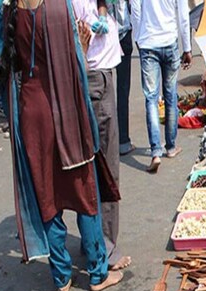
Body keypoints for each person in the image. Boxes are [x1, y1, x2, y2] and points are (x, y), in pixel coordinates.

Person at [0, 0, 122, 291]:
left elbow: (4, 73)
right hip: (65, 109)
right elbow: (76, 65)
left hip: (30, 113)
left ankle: (61, 276)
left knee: (46, 194)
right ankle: (98, 273)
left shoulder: (7, 10)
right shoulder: (58, 7)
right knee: (85, 190)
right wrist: (85, 48)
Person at [73, 0, 131, 272]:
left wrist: (103, 13)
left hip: (104, 70)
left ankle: (94, 240)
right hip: (94, 74)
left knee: (99, 165)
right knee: (104, 168)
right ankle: (104, 246)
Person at [130, 0, 192, 173]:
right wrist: (187, 48)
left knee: (151, 98)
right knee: (170, 96)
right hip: (169, 41)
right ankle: (171, 147)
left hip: (148, 43)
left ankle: (156, 152)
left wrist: (138, 36)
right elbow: (183, 16)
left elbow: (135, 10)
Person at [112, 0, 135, 156]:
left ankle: (103, 141)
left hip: (102, 35)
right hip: (122, 32)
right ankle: (123, 142)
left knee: (101, 91)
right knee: (122, 89)